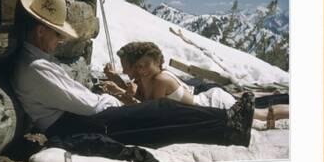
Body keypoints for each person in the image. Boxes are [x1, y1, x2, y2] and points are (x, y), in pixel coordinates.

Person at [11, 0, 255, 148]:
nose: (60, 40)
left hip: (75, 120)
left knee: (159, 115)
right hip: (76, 125)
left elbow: (76, 99)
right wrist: (114, 101)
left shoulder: (35, 62)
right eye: (57, 34)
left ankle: (226, 125)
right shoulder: (35, 68)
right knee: (160, 112)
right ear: (41, 31)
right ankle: (226, 126)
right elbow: (86, 105)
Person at [105, 41, 289, 123]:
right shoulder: (146, 78)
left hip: (214, 103)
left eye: (144, 65)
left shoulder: (161, 79)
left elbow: (149, 111)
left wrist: (121, 94)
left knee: (264, 115)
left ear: (148, 64)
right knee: (258, 109)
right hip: (206, 101)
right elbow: (142, 100)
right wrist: (119, 85)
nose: (126, 70)